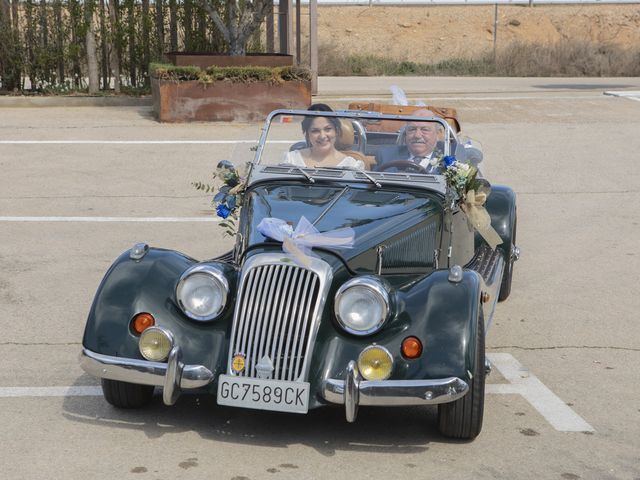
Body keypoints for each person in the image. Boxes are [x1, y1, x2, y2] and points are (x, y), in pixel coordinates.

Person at [283, 111, 365, 169]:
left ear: (336, 131)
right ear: (307, 135)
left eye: (328, 129)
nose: (322, 136)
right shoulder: (291, 160)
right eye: (315, 131)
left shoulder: (352, 166)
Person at [374, 109, 444, 173]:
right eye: (412, 129)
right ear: (405, 133)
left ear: (438, 134)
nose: (417, 135)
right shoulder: (386, 156)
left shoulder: (448, 161)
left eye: (424, 129)